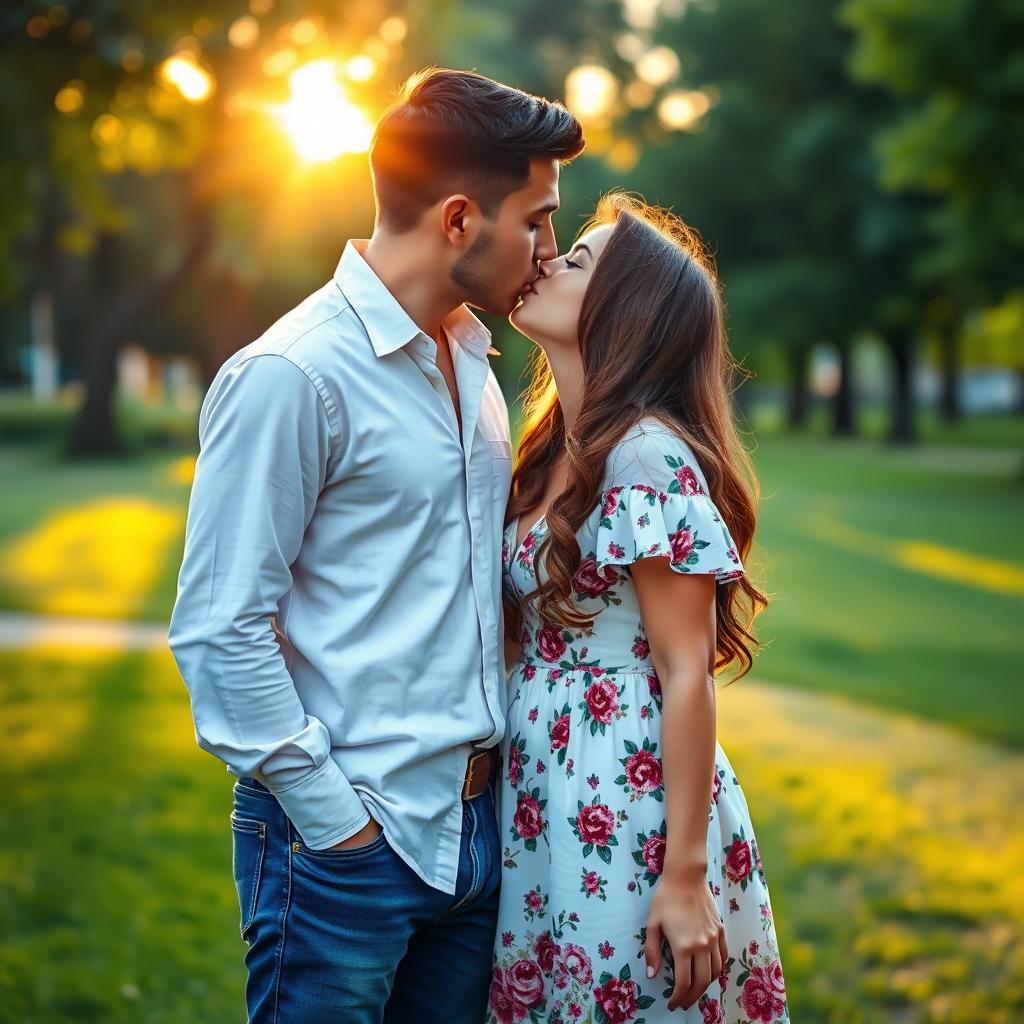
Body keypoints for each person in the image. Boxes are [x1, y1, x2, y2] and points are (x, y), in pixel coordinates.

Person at [167, 68, 583, 1024]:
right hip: (349, 847)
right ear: (457, 220)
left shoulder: (473, 362)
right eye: (538, 221)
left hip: (475, 839)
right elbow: (221, 628)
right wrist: (337, 825)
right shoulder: (291, 375)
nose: (550, 252)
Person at [487, 193, 790, 1024]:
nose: (547, 260)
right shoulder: (550, 449)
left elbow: (686, 667)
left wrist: (685, 875)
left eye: (577, 260)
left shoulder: (647, 456)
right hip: (541, 786)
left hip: (626, 794)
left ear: (627, 311)